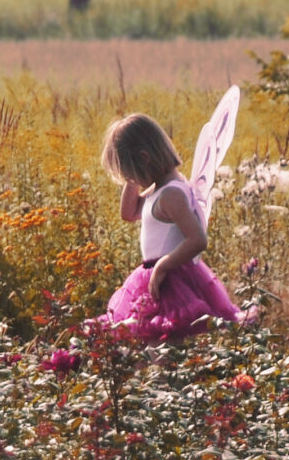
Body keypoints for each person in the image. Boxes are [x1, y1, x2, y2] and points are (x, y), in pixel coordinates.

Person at [96, 111, 243, 339]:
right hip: (155, 277)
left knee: (163, 344)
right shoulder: (159, 190)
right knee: (147, 343)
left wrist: (163, 266)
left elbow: (197, 239)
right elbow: (128, 212)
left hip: (172, 281)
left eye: (131, 173)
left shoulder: (170, 195)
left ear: (145, 159)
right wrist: (132, 178)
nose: (131, 180)